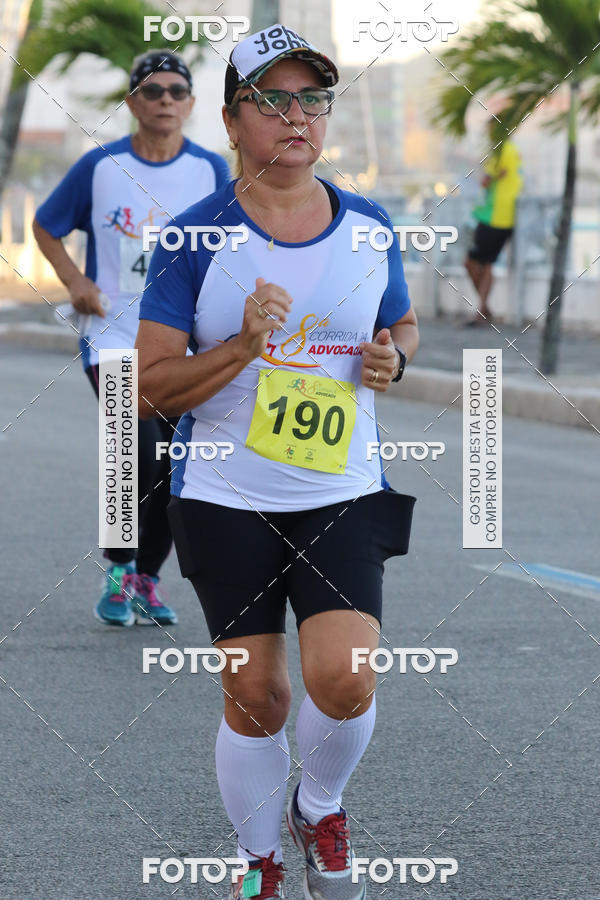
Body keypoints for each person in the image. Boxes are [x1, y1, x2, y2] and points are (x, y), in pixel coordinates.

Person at [136, 25, 419, 900]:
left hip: (341, 491)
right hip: (225, 495)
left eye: (313, 99)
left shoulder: (370, 226)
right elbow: (151, 387)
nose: (297, 117)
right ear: (231, 120)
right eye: (273, 100)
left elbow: (400, 327)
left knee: (344, 679)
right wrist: (242, 348)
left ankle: (319, 806)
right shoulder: (193, 239)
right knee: (257, 694)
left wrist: (393, 360)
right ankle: (257, 865)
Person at [33, 50, 230, 626]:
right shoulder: (99, 167)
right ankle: (119, 571)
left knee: (175, 464)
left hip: (183, 346)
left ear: (191, 104)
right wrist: (75, 282)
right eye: (152, 90)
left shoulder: (210, 170)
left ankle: (148, 578)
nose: (164, 100)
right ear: (132, 102)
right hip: (113, 338)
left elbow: (229, 247)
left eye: (176, 91)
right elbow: (46, 225)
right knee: (134, 457)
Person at [464, 120, 523, 325]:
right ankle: (483, 308)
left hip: (493, 216)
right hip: (503, 216)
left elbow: (486, 179)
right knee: (485, 263)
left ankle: (482, 310)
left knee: (475, 262)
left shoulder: (500, 151)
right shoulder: (513, 150)